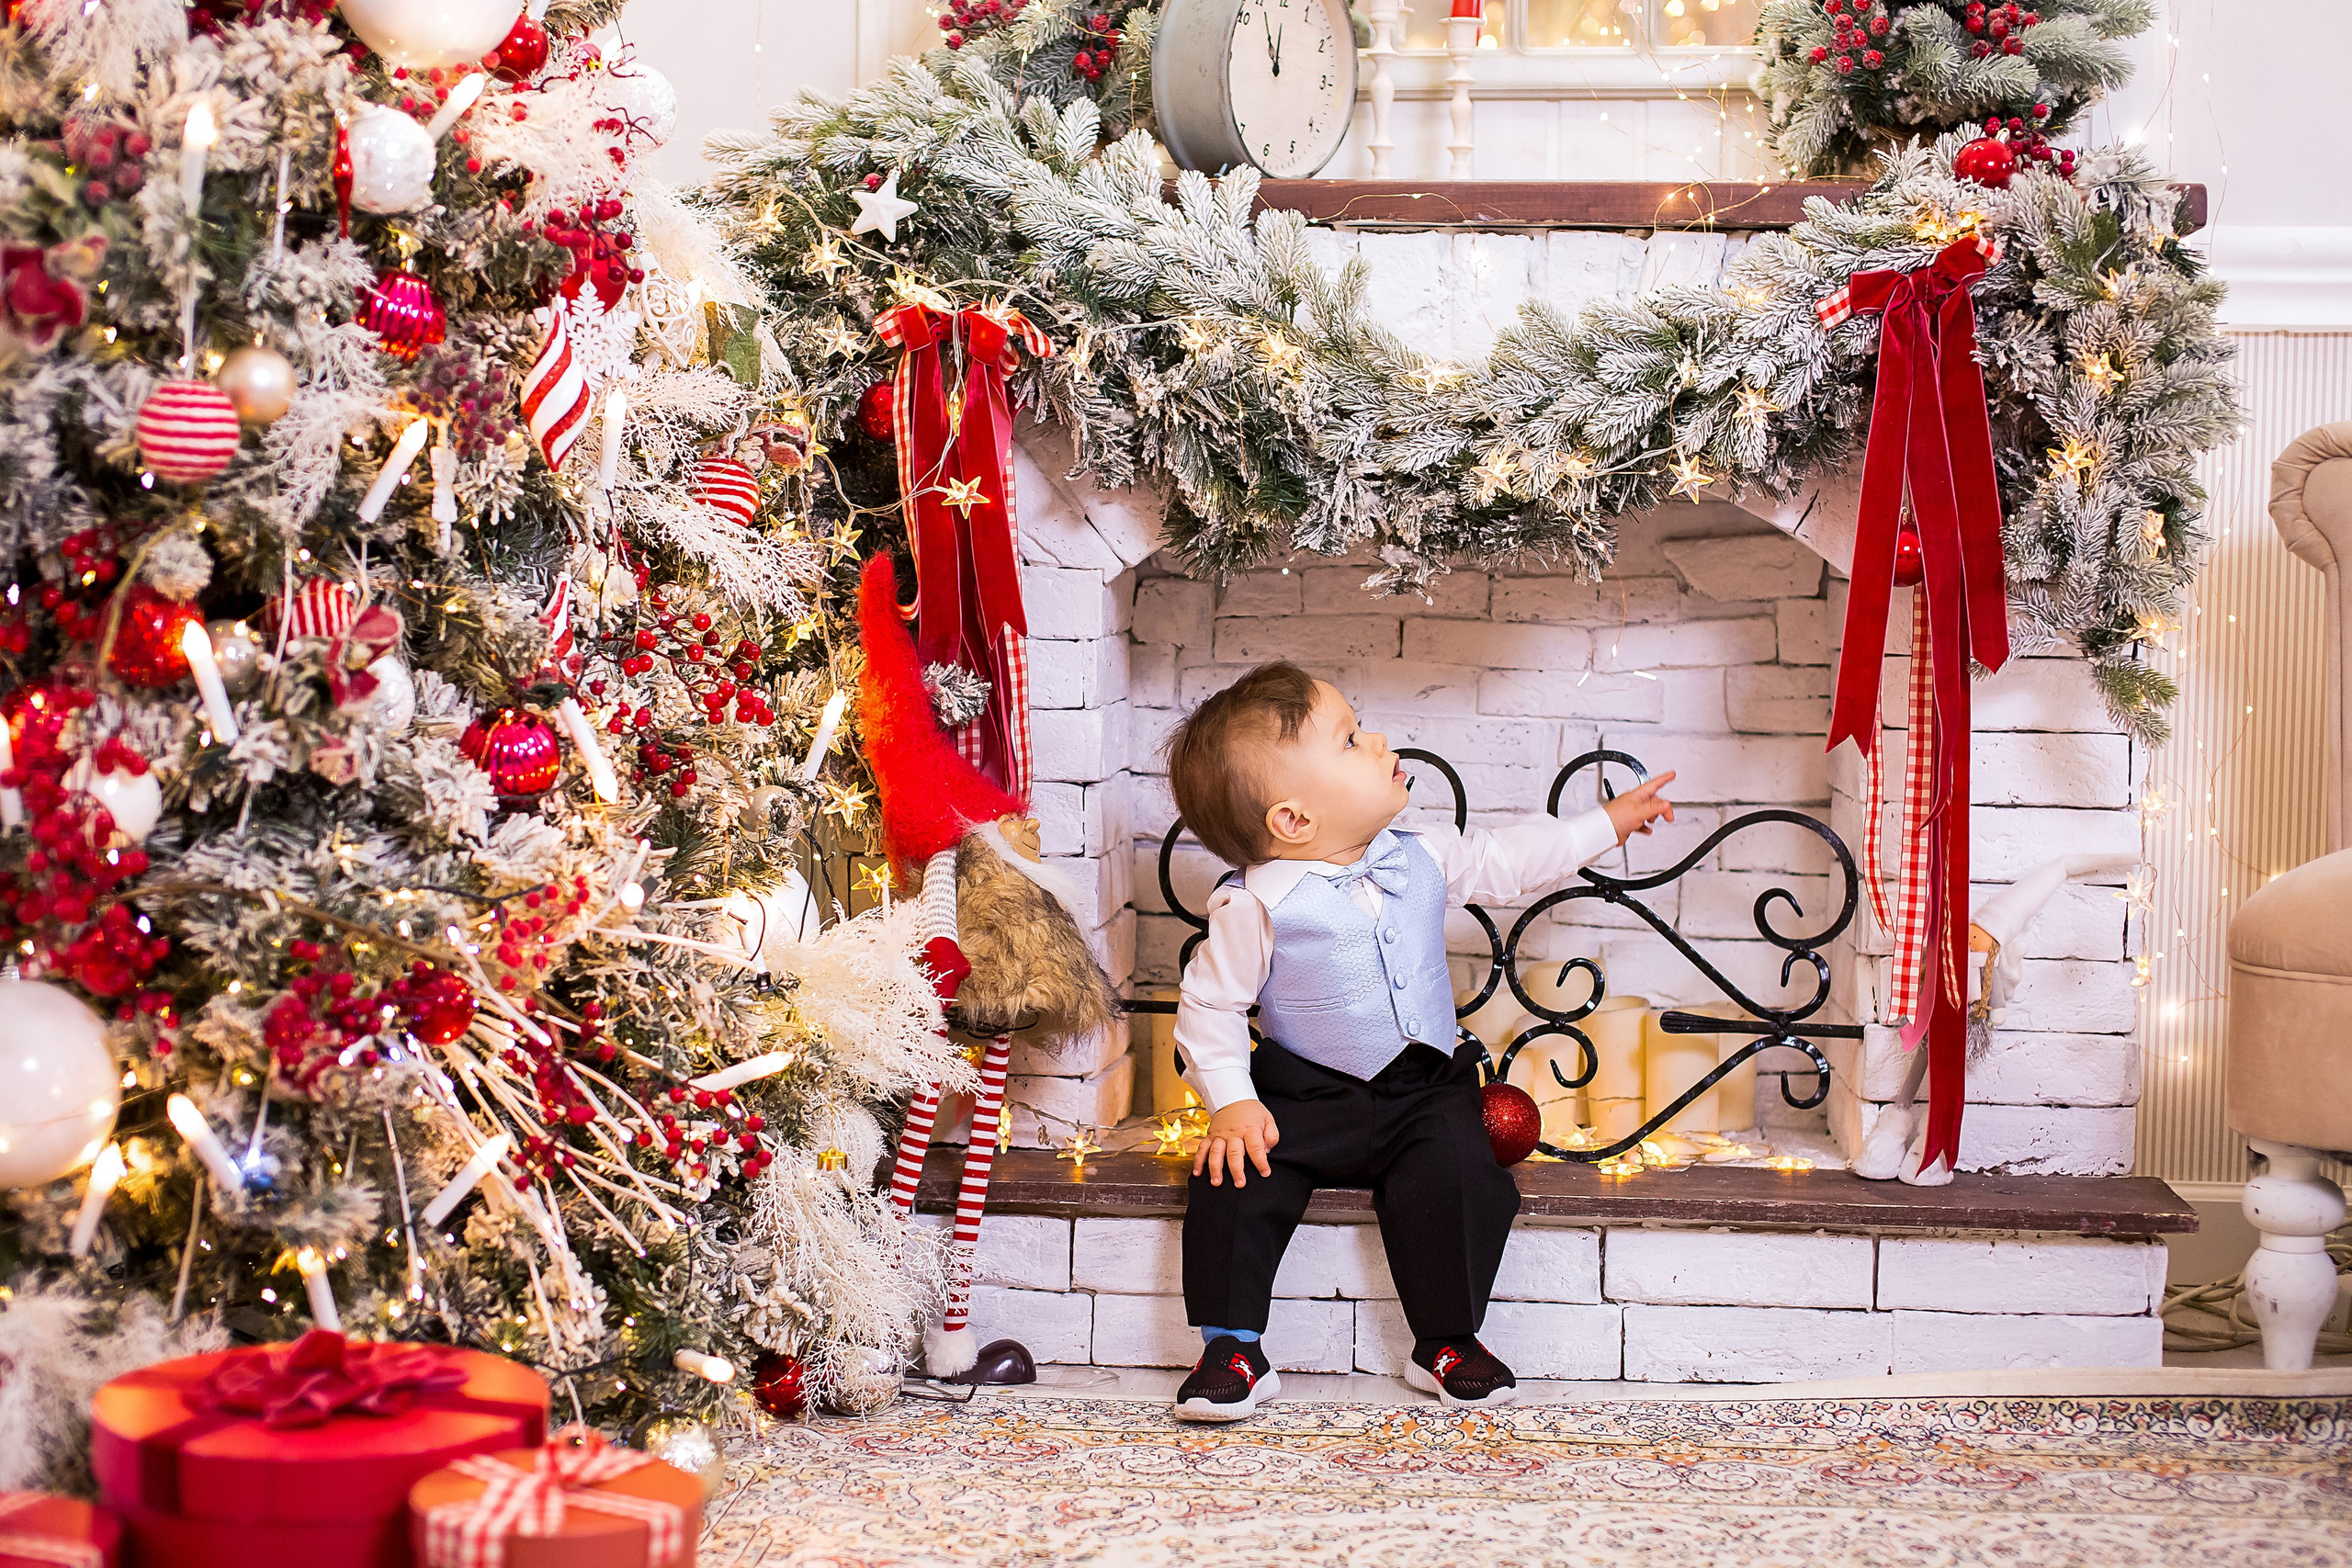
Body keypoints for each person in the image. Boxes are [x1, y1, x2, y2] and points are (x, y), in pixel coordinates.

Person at [1163, 661, 1676, 1421]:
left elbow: (1509, 860)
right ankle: (1231, 1345)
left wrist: (1604, 824)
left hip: (1423, 1088)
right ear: (1293, 820)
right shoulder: (1254, 903)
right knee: (1234, 1176)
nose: (1376, 741)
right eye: (1348, 740)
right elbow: (1209, 1002)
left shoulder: (1422, 853)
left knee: (1464, 1170)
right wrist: (1234, 1101)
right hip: (1303, 1094)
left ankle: (1445, 1338)